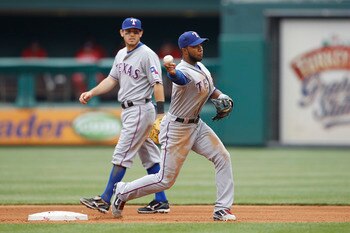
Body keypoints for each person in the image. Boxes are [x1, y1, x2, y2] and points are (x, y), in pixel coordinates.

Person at [111, 31, 236, 221]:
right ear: (185, 50)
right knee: (164, 180)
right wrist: (171, 72)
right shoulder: (183, 71)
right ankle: (122, 191)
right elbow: (179, 78)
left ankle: (222, 209)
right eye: (195, 45)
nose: (200, 47)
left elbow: (210, 90)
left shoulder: (202, 67)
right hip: (177, 129)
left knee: (222, 157)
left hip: (197, 125)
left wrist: (222, 97)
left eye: (201, 44)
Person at [79, 17, 170, 215]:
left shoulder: (147, 54)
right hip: (129, 111)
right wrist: (92, 92)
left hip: (140, 109)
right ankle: (161, 200)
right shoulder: (120, 54)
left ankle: (105, 199)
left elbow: (158, 83)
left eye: (135, 31)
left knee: (121, 154)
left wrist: (161, 113)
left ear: (141, 33)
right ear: (121, 33)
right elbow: (112, 79)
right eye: (128, 31)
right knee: (150, 157)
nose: (132, 34)